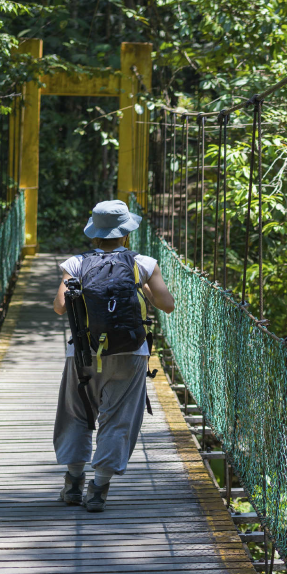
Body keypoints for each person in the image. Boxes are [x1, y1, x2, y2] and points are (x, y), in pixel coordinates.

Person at [52, 200, 176, 512]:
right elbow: (167, 304)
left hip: (83, 352)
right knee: (118, 418)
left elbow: (60, 306)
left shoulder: (75, 263)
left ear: (94, 233)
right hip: (132, 351)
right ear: (126, 234)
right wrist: (141, 289)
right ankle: (99, 488)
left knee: (77, 412)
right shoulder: (145, 263)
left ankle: (73, 483)